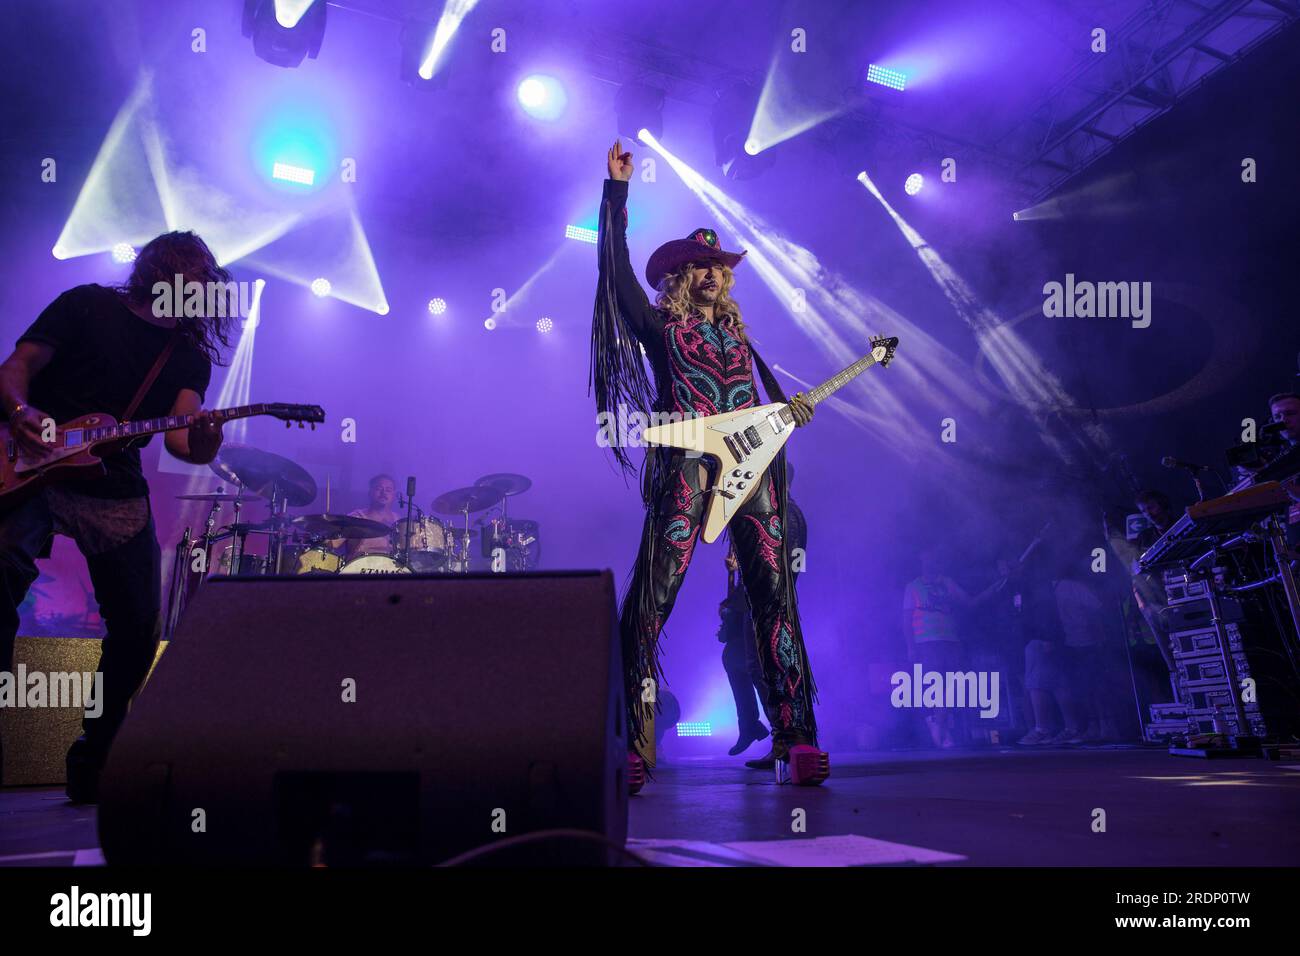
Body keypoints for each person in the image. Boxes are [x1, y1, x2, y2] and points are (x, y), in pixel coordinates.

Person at [593, 139, 826, 788]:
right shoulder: (660, 327)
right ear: (676, 278)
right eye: (699, 265)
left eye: (719, 266)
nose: (712, 273)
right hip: (688, 465)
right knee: (653, 596)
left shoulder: (740, 338)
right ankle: (634, 742)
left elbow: (759, 409)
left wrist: (787, 415)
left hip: (753, 476)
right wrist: (616, 195)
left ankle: (798, 740)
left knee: (775, 599)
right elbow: (614, 274)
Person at [0, 231, 230, 801]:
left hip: (112, 482)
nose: (200, 293)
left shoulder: (187, 356)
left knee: (136, 624)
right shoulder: (87, 304)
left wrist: (205, 442)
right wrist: (20, 411)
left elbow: (181, 442)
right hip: (30, 467)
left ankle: (96, 756)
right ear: (162, 272)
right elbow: (16, 367)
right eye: (193, 279)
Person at [901, 546, 1004, 748]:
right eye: (926, 556)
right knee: (937, 684)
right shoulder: (913, 587)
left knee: (950, 685)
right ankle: (939, 728)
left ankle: (938, 725)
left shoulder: (947, 583)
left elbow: (970, 603)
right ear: (921, 559)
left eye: (934, 557)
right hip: (927, 642)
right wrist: (910, 647)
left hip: (950, 641)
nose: (930, 561)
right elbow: (906, 619)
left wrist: (995, 586)